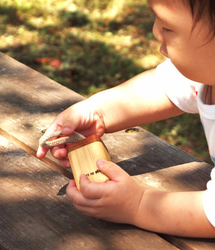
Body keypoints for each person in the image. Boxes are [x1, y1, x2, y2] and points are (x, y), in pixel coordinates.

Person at [37, 0, 215, 237]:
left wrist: (137, 205)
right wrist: (98, 111)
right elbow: (164, 88)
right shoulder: (205, 73)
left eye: (168, 27)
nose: (155, 31)